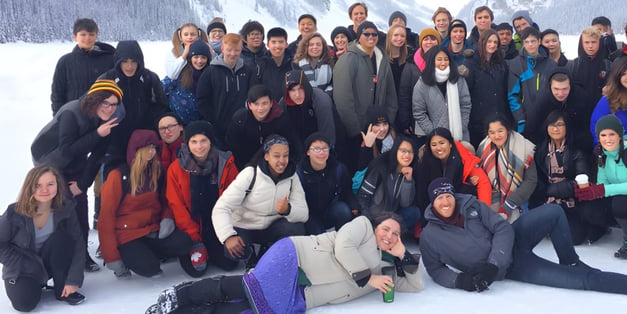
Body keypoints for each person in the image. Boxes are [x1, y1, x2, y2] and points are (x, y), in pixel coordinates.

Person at [419, 178, 627, 308]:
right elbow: (435, 270)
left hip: (510, 244)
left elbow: (501, 228)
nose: (446, 201)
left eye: (448, 196)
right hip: (514, 267)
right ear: (433, 203)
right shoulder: (430, 236)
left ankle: (570, 260)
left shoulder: (471, 205)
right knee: (583, 281)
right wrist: (461, 281)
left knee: (553, 211)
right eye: (439, 198)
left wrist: (494, 262)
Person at [145, 214, 422, 314]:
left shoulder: (382, 267)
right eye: (386, 228)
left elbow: (414, 285)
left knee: (250, 309)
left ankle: (185, 311)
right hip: (294, 258)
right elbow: (343, 247)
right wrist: (369, 278)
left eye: (396, 234)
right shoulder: (362, 226)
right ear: (376, 226)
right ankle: (179, 296)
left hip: (303, 294)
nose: (389, 236)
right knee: (248, 288)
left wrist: (403, 255)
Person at [31, 79, 123, 272]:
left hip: (75, 158)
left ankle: (82, 255)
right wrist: (97, 134)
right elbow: (66, 150)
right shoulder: (72, 113)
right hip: (48, 160)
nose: (109, 108)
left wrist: (82, 184)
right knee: (57, 206)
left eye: (114, 104)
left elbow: (97, 157)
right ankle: (47, 256)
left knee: (79, 203)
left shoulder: (108, 121)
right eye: (105, 103)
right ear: (95, 99)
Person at [98, 130, 193, 278]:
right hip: (127, 235)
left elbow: (165, 200)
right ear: (136, 150)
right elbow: (106, 218)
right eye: (146, 148)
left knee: (184, 242)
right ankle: (132, 257)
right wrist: (112, 257)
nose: (151, 152)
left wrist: (167, 218)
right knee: (150, 269)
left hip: (152, 230)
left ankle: (147, 254)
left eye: (154, 147)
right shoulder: (118, 176)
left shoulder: (157, 172)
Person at [212, 135, 308, 267]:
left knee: (296, 229)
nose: (281, 160)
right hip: (245, 226)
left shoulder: (292, 177)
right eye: (276, 156)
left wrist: (288, 209)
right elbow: (221, 207)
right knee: (231, 258)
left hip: (272, 228)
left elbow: (304, 213)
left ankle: (269, 250)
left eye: (285, 155)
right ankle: (250, 255)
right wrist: (228, 236)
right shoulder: (251, 174)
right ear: (266, 156)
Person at [0, 166, 86, 309]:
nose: (44, 190)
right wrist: (18, 261)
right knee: (24, 304)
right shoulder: (14, 213)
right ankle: (35, 284)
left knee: (62, 239)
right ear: (29, 187)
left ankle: (61, 288)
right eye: (38, 185)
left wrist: (73, 280)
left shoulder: (66, 208)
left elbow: (78, 244)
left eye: (50, 184)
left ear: (57, 185)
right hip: (23, 267)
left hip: (50, 262)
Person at [165, 120, 239, 277]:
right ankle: (196, 245)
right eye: (194, 141)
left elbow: (234, 198)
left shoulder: (225, 163)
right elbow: (176, 205)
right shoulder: (176, 169)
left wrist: (227, 232)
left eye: (203, 140)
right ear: (187, 143)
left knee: (230, 264)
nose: (199, 146)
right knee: (197, 271)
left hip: (217, 223)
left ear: (211, 141)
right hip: (191, 225)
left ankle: (212, 247)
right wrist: (194, 238)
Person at [576, 115, 627, 259]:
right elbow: (603, 185)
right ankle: (612, 227)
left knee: (621, 202)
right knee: (590, 207)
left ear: (620, 135)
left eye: (612, 134)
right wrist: (591, 191)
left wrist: (602, 190)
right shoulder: (603, 156)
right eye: (603, 135)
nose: (608, 139)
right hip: (622, 200)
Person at [529, 111, 606, 244]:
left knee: (574, 238)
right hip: (547, 200)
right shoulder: (540, 151)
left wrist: (553, 189)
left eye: (560, 125)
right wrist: (545, 193)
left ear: (567, 127)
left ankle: (596, 228)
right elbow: (537, 179)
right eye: (552, 125)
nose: (555, 129)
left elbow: (581, 182)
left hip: (573, 201)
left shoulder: (576, 151)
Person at [332, 21, 398, 167]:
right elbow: (343, 99)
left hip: (380, 128)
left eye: (374, 34)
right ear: (358, 37)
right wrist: (355, 130)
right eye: (366, 34)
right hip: (357, 131)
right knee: (358, 169)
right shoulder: (348, 59)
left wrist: (387, 122)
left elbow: (391, 94)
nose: (371, 37)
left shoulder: (382, 59)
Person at [99, 39, 169, 158]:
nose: (129, 66)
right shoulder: (107, 79)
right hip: (114, 140)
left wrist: (152, 130)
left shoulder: (149, 78)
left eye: (133, 61)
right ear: (118, 62)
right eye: (125, 61)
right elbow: (94, 109)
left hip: (144, 139)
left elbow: (162, 107)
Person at [196, 33, 258, 148]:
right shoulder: (210, 72)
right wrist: (213, 121)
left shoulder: (248, 71)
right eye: (229, 50)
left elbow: (254, 97)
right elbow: (202, 100)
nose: (233, 54)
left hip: (243, 127)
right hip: (218, 129)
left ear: (241, 50)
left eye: (237, 50)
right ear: (222, 49)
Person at [476, 114, 537, 223]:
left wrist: (510, 203)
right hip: (492, 197)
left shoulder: (523, 147)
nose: (496, 136)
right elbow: (478, 173)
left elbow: (531, 180)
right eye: (492, 132)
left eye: (500, 131)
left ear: (508, 130)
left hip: (518, 200)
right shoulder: (483, 147)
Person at [415, 128, 491, 213]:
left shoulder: (464, 158)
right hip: (434, 207)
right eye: (434, 145)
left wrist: (484, 212)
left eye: (442, 143)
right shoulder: (425, 161)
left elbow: (483, 183)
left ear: (450, 144)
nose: (438, 148)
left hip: (461, 204)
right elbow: (421, 192)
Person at [50, 18, 115, 115]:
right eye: (83, 34)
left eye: (91, 34)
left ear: (96, 36)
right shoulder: (65, 62)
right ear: (75, 36)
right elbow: (57, 94)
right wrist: (59, 117)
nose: (87, 38)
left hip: (103, 115)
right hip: (74, 115)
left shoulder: (109, 59)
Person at [298, 133, 359, 234]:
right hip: (309, 214)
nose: (321, 152)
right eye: (316, 149)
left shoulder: (338, 168)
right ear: (308, 152)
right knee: (319, 236)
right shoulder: (299, 172)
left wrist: (354, 206)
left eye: (325, 148)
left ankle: (343, 239)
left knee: (343, 211)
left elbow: (347, 191)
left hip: (330, 209)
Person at [357, 137, 420, 233]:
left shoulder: (408, 172)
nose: (407, 155)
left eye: (410, 152)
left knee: (414, 212)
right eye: (403, 151)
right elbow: (363, 196)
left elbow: (405, 204)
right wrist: (367, 218)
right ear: (395, 151)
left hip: (391, 217)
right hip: (374, 218)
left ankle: (393, 234)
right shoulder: (380, 169)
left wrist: (408, 181)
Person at [412, 45, 471, 141]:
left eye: (446, 59)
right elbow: (419, 112)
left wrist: (461, 126)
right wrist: (433, 133)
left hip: (460, 136)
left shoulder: (457, 79)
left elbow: (466, 105)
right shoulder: (423, 83)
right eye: (439, 59)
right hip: (435, 140)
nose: (443, 63)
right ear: (432, 61)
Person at [465, 30, 511, 149]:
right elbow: (466, 92)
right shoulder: (471, 63)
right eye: (489, 41)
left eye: (495, 42)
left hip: (499, 116)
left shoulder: (501, 64)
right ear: (482, 42)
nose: (492, 45)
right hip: (478, 118)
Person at [226, 84, 291, 169]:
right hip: (244, 166)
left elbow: (289, 144)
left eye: (264, 103)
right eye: (256, 104)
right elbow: (233, 147)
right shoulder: (240, 120)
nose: (260, 108)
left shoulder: (280, 119)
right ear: (250, 105)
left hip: (273, 166)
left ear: (271, 103)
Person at [507, 27, 555, 138]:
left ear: (539, 41)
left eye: (533, 41)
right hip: (525, 120)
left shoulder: (550, 64)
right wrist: (520, 119)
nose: (530, 45)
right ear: (523, 43)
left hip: (546, 119)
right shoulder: (515, 65)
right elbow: (512, 95)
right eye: (527, 42)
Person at [280, 70, 337, 161]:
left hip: (326, 148)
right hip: (301, 151)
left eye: (300, 88)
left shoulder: (321, 100)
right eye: (292, 90)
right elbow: (290, 135)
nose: (297, 94)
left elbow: (328, 134)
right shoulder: (284, 105)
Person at [397, 28, 441, 137]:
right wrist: (405, 122)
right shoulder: (411, 64)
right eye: (426, 39)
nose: (429, 42)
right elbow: (404, 95)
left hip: (441, 119)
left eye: (433, 39)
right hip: (416, 120)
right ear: (421, 43)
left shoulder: (445, 62)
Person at [161, 40, 210, 125]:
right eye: (196, 57)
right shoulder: (179, 73)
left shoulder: (211, 75)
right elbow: (160, 90)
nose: (199, 61)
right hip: (177, 125)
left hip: (201, 125)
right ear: (190, 58)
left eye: (203, 57)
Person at [566, 26, 611, 110]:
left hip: (601, 111)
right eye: (587, 42)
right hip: (577, 112)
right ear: (582, 43)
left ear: (600, 43)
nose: (590, 46)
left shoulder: (608, 66)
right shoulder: (572, 65)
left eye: (594, 42)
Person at [256, 27, 293, 102]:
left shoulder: (293, 64)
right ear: (268, 44)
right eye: (273, 42)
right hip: (267, 107)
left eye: (281, 42)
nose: (277, 46)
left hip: (289, 107)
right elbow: (255, 90)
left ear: (286, 44)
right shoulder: (260, 65)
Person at [386, 23, 412, 98]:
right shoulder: (381, 57)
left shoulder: (409, 58)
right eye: (396, 35)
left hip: (403, 99)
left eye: (402, 36)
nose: (399, 38)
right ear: (389, 36)